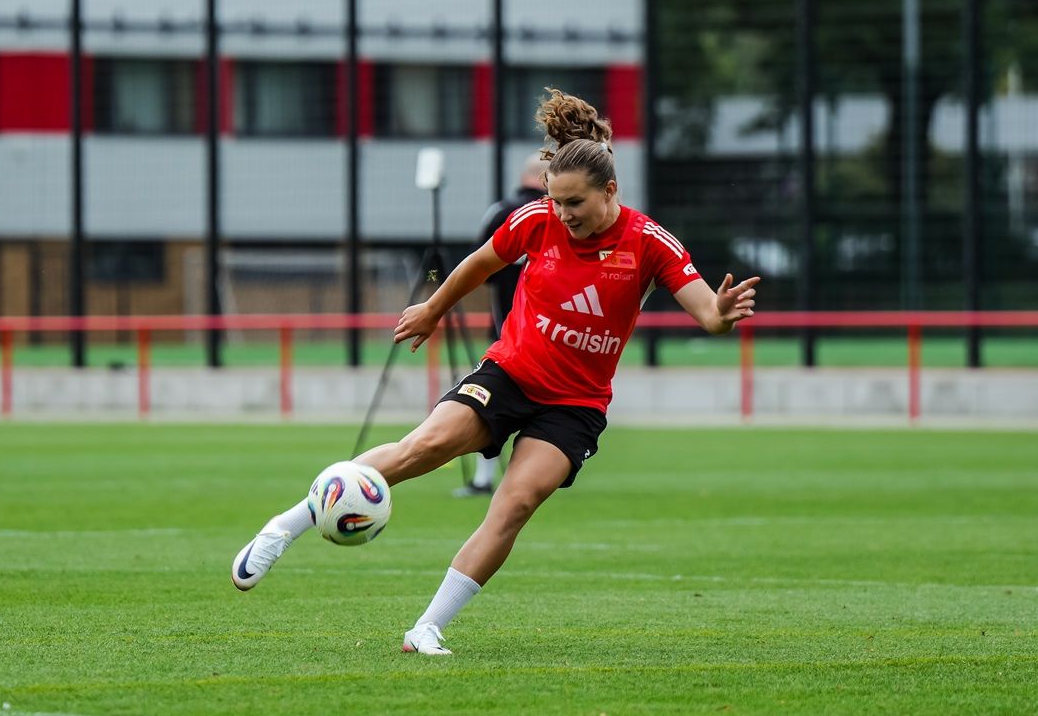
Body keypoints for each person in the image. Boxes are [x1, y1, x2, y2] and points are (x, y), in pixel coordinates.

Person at [231, 88, 761, 655]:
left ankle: (426, 628)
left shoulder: (648, 242)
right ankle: (281, 529)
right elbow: (480, 262)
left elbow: (708, 311)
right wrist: (433, 309)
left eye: (575, 203)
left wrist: (722, 317)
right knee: (421, 449)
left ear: (610, 191)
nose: (563, 214)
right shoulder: (535, 220)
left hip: (575, 405)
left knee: (514, 504)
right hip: (509, 373)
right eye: (556, 201)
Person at [453, 151, 550, 498]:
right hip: (558, 336)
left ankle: (483, 478)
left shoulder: (502, 212)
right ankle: (529, 475)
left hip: (508, 332)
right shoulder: (568, 216)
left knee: (489, 403)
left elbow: (480, 268)